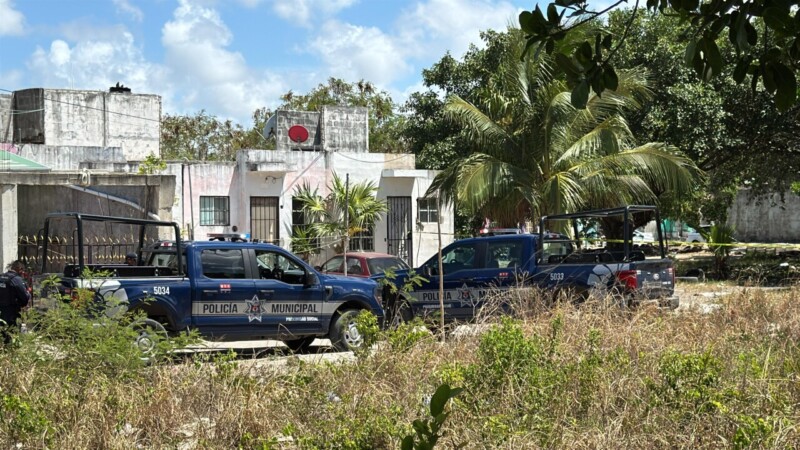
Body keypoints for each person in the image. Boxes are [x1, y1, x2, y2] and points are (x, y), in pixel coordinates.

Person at [0, 260, 31, 344]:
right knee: (11, 334)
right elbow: (25, 297)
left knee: (2, 332)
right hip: (12, 312)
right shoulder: (16, 279)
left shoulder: (1, 277)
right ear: (19, 268)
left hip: (1, 311)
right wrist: (25, 299)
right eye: (22, 270)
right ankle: (11, 348)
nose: (23, 272)